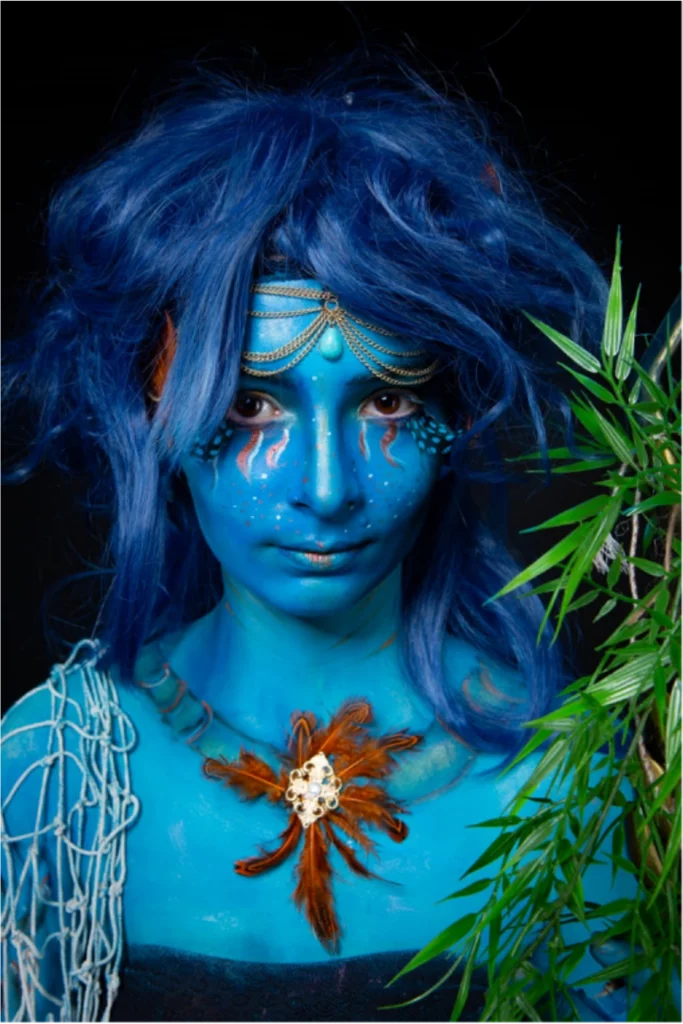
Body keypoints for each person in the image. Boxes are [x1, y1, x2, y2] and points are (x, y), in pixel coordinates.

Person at [0, 55, 647, 1023]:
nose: (326, 488)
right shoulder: (55, 777)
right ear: (157, 414)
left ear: (450, 415)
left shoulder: (562, 773)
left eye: (385, 400)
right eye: (253, 404)